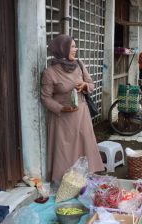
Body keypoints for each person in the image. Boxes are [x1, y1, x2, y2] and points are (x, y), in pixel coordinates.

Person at [41, 34, 104, 182]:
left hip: (81, 115)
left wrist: (85, 86)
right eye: (72, 46)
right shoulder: (49, 73)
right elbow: (45, 98)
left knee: (84, 149)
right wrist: (61, 108)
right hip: (61, 119)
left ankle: (84, 182)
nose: (75, 49)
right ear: (62, 49)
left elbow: (92, 85)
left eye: (75, 46)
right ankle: (66, 184)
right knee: (64, 153)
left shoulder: (79, 65)